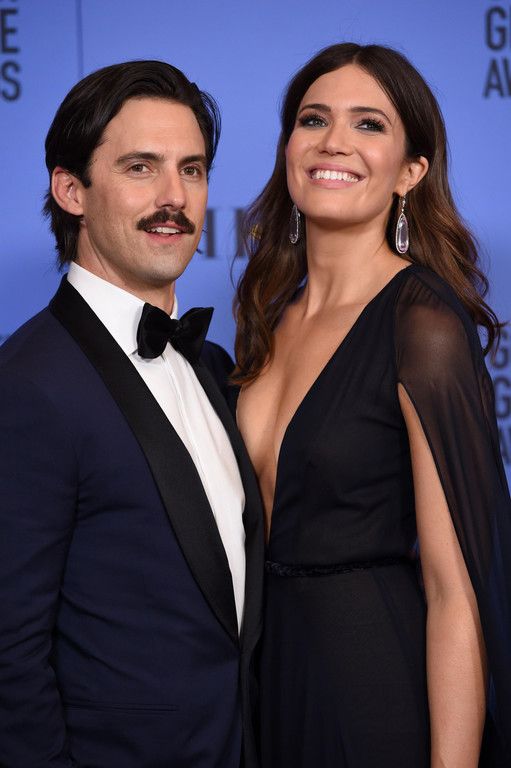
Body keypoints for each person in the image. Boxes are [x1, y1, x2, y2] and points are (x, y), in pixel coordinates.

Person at [234, 43, 511, 767]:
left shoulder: (422, 323)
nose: (334, 141)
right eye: (312, 119)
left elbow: (454, 591)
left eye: (368, 124)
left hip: (369, 691)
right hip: (263, 688)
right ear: (288, 148)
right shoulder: (267, 316)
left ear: (410, 171)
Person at [0, 60, 264, 767]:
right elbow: (10, 652)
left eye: (192, 170)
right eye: (141, 168)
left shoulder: (213, 367)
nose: (174, 197)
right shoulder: (27, 385)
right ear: (71, 191)